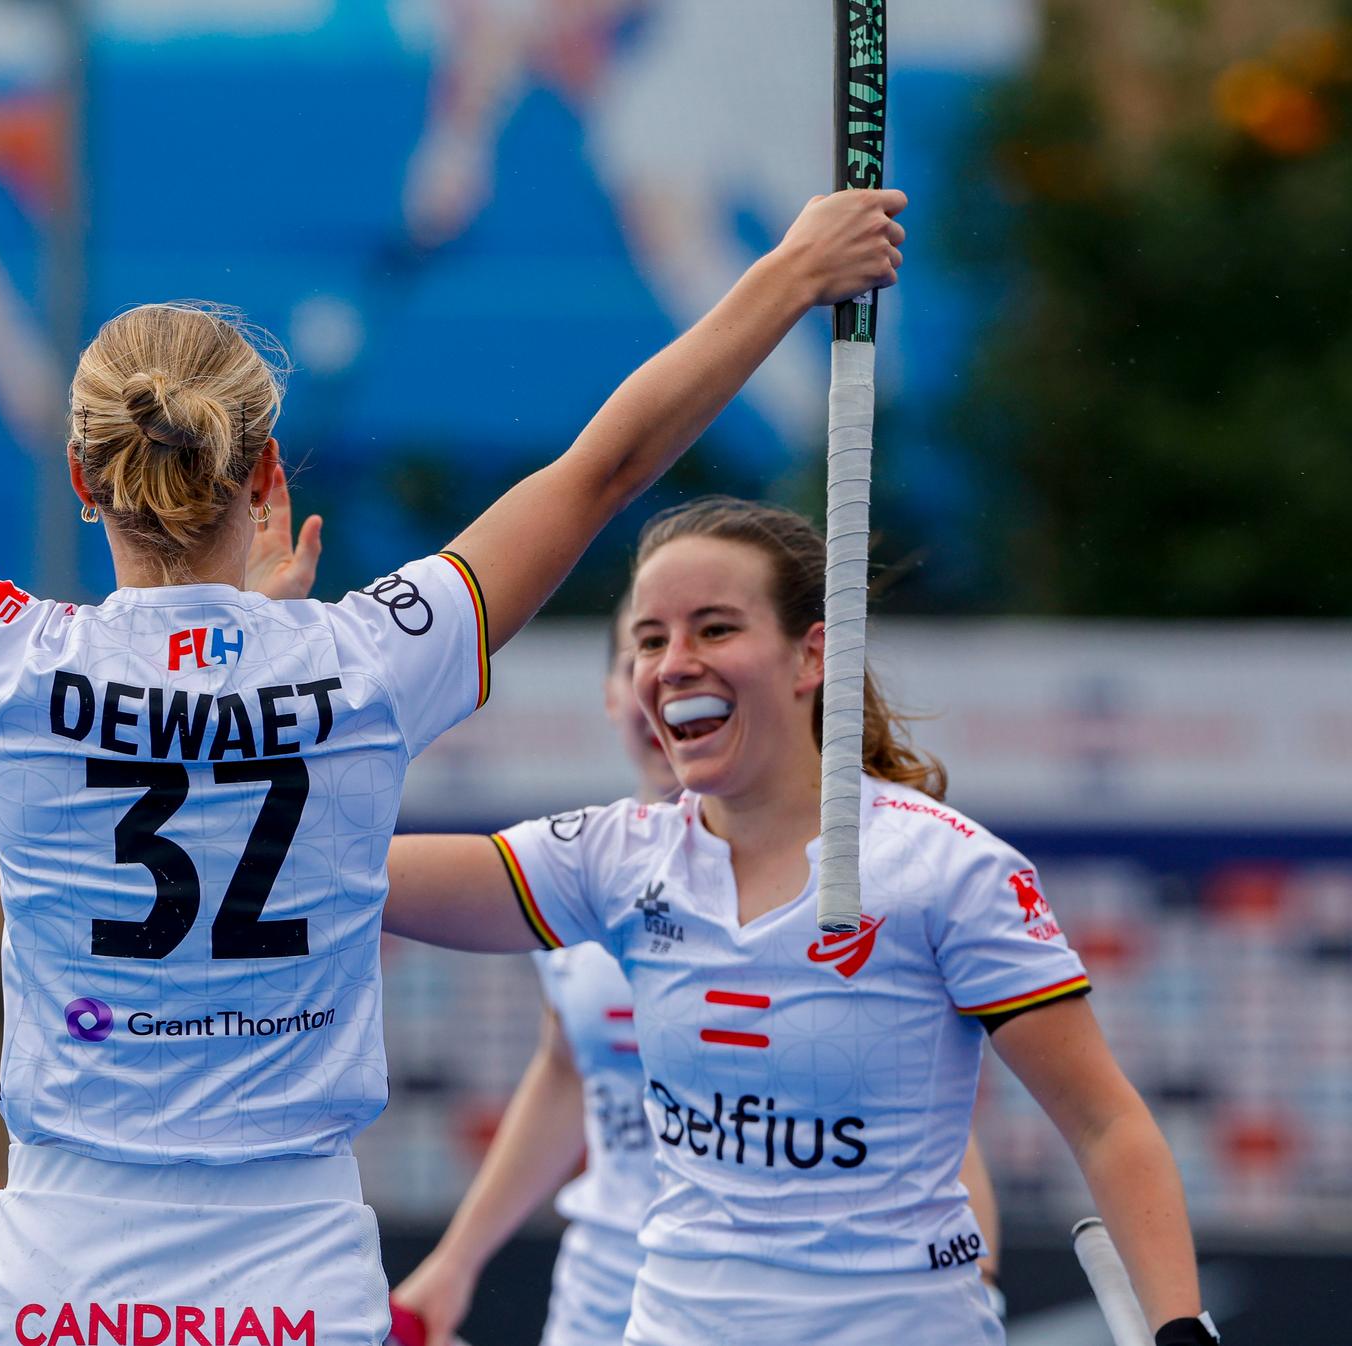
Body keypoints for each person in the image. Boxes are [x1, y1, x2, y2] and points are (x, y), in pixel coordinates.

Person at [0, 15, 904, 1344]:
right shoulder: (369, 658)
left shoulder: (10, 659)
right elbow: (602, 467)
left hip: (59, 1274)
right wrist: (788, 271)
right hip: (292, 1267)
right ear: (267, 477)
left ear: (85, 484)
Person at [383, 498, 1220, 1346]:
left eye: (714, 629)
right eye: (649, 638)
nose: (673, 665)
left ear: (811, 655)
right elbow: (356, 876)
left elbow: (1105, 1122)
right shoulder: (615, 856)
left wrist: (1180, 1328)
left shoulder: (949, 868)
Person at [389, 601, 1005, 1346]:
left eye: (710, 640)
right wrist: (456, 1262)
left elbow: (920, 1119)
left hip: (769, 1305)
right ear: (617, 694)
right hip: (605, 1297)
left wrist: (971, 1280)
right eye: (641, 654)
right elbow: (567, 1071)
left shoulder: (859, 879)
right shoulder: (580, 866)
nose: (674, 680)